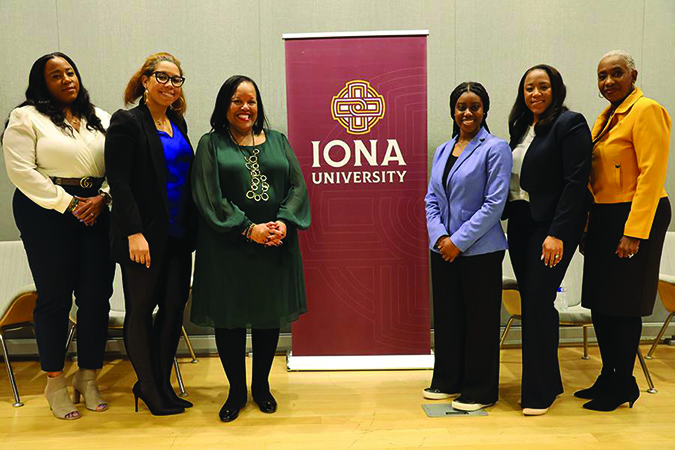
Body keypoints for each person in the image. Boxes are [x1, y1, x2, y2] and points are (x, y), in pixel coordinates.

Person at [191, 75, 310, 422]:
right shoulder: (211, 144)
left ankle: (261, 387)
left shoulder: (278, 140)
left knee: (267, 317)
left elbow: (297, 186)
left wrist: (284, 222)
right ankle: (236, 391)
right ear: (224, 106)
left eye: (251, 101)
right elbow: (208, 196)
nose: (246, 108)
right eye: (237, 101)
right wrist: (248, 228)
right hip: (228, 246)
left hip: (275, 244)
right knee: (229, 320)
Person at [2, 52, 114, 420]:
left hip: (98, 209)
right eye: (56, 75)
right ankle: (55, 381)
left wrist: (104, 197)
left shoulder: (101, 118)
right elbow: (21, 171)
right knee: (54, 296)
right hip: (46, 212)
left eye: (70, 72)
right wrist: (68, 204)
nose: (66, 79)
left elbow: (120, 164)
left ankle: (89, 376)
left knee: (97, 297)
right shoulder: (26, 117)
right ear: (41, 83)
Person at [577, 50, 671, 412]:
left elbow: (652, 174)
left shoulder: (647, 110)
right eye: (602, 76)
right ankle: (608, 374)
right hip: (604, 214)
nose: (608, 81)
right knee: (601, 302)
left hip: (635, 213)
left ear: (633, 75)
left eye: (616, 74)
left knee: (624, 304)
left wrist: (635, 231)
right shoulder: (607, 117)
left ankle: (624, 382)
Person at [105, 52, 195, 416]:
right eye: (162, 77)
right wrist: (133, 232)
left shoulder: (178, 124)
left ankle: (161, 383)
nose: (170, 85)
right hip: (143, 237)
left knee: (174, 308)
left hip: (178, 235)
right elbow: (120, 182)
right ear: (144, 80)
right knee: (141, 310)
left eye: (176, 79)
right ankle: (147, 386)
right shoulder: (127, 122)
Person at [504, 64, 592, 415]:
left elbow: (576, 182)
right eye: (529, 88)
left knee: (539, 302)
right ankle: (550, 381)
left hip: (552, 228)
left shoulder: (570, 124)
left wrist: (557, 233)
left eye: (543, 86)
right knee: (534, 303)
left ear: (556, 89)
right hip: (522, 223)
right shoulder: (520, 126)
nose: (535, 93)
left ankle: (538, 392)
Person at [424, 82, 512, 411]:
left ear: (484, 110)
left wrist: (457, 242)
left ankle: (479, 390)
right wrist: (440, 238)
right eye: (461, 106)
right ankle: (448, 380)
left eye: (474, 106)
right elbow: (431, 198)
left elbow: (494, 205)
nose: (467, 112)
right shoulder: (443, 150)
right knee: (448, 318)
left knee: (479, 321)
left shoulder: (495, 148)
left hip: (480, 252)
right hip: (442, 249)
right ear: (453, 111)